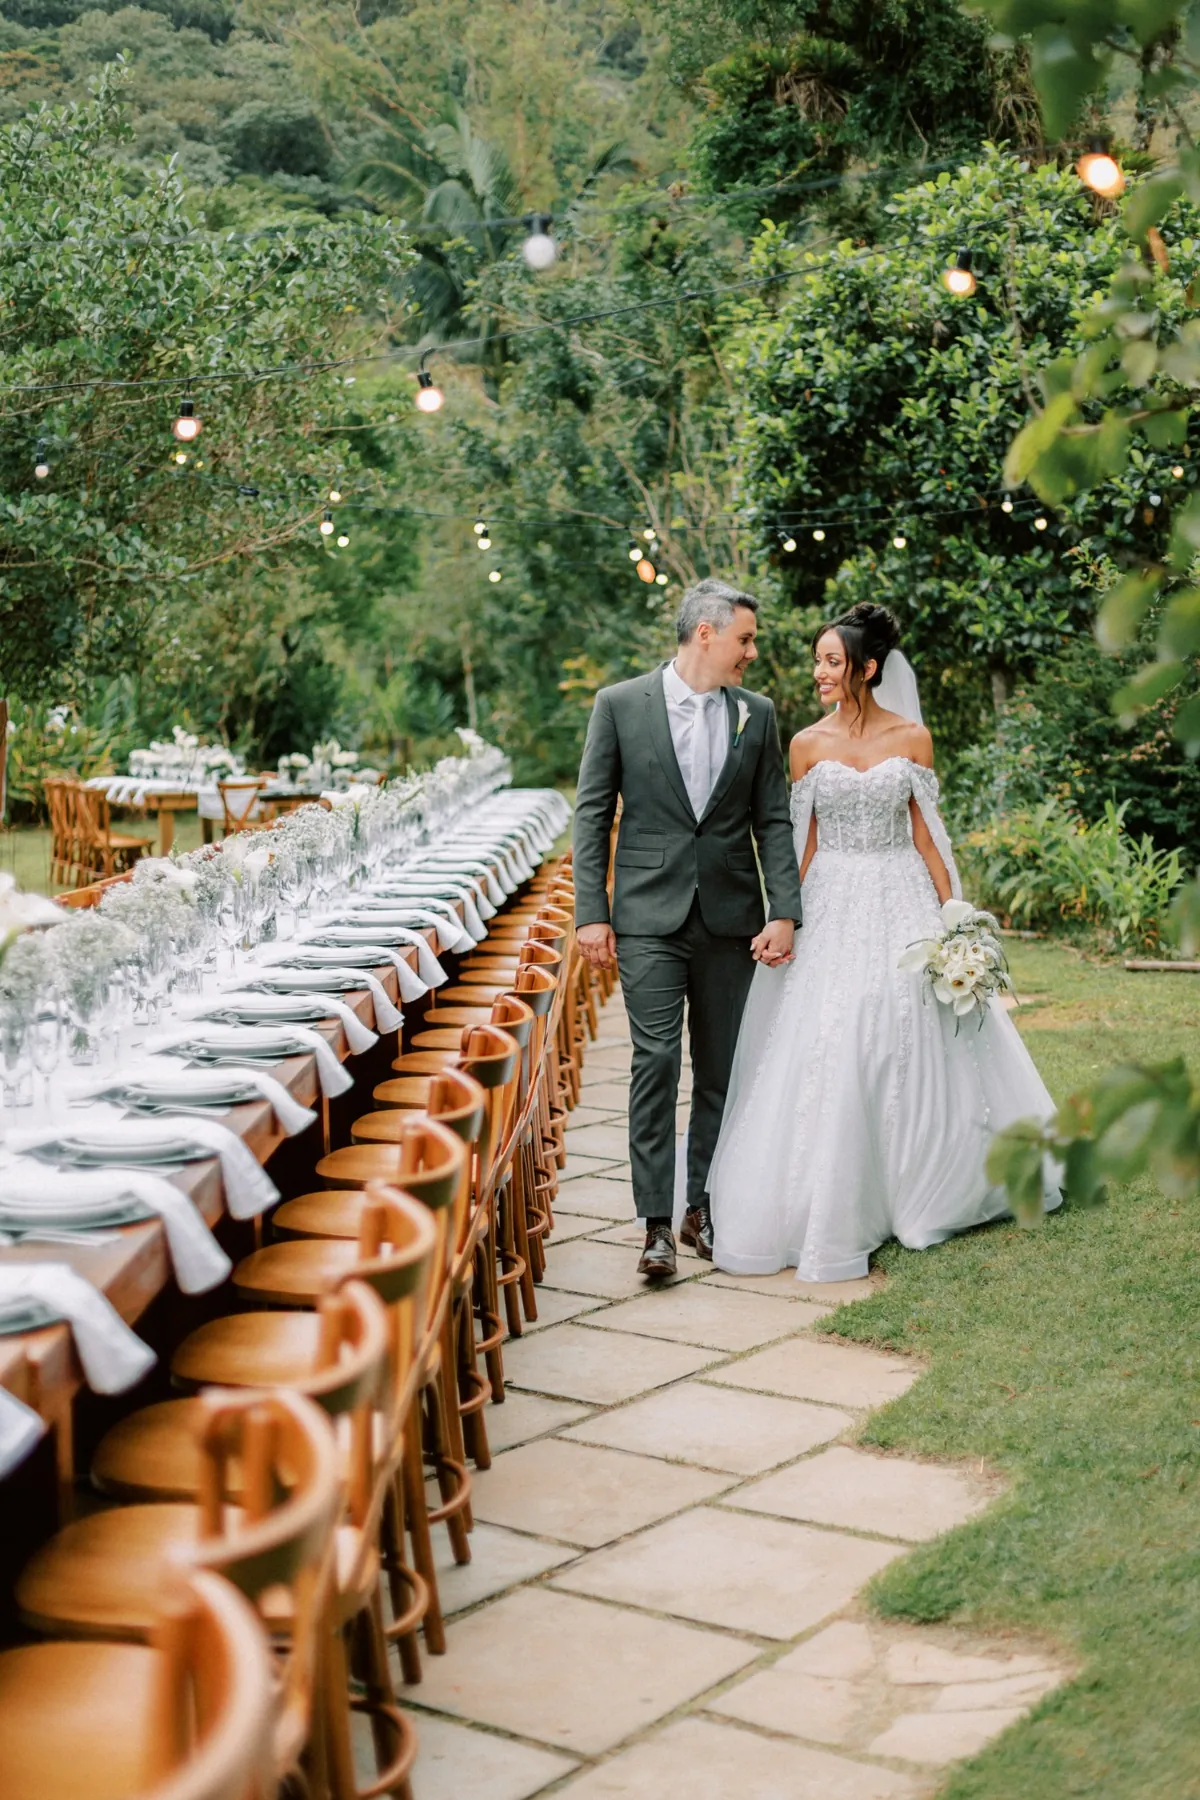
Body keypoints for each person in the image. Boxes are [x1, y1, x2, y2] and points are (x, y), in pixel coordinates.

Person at [707, 601, 1059, 1281]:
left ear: (867, 669)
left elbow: (928, 837)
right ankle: (836, 1194)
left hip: (903, 894)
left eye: (831, 661)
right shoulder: (806, 744)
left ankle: (926, 1182)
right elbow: (800, 845)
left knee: (906, 1027)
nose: (819, 672)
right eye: (817, 661)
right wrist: (785, 916)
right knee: (837, 1031)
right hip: (833, 900)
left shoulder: (913, 738)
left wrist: (955, 918)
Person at [572, 579, 803, 1280]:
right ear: (706, 632)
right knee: (656, 1061)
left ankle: (700, 1206)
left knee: (720, 1069)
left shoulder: (756, 714)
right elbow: (592, 813)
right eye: (745, 639)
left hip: (731, 918)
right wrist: (591, 913)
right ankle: (654, 1227)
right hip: (647, 917)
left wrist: (784, 910)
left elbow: (772, 819)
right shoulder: (619, 705)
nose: (751, 653)